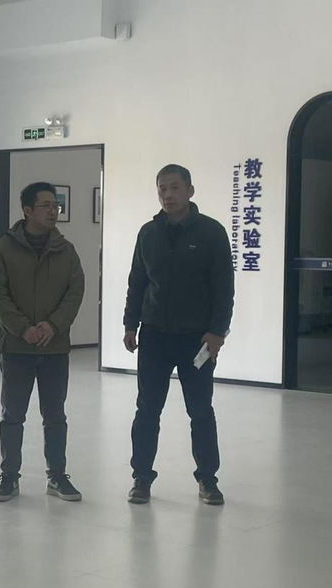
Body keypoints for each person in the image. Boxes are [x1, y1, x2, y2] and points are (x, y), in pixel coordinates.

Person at [123, 164, 234, 505]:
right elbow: (137, 281)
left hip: (196, 339)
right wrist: (130, 324)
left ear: (190, 191)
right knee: (147, 409)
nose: (168, 195)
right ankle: (141, 478)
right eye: (162, 189)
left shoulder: (211, 232)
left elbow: (224, 288)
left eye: (174, 187)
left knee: (200, 410)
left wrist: (217, 332)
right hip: (155, 336)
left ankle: (208, 480)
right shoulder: (148, 233)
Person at [0, 181, 85, 502]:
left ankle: (57, 476)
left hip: (54, 348)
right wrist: (22, 328)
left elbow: (75, 292)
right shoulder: (4, 248)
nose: (53, 211)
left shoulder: (66, 251)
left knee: (55, 416)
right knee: (12, 416)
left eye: (55, 205)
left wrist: (52, 325)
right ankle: (9, 477)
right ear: (27, 210)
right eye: (45, 206)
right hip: (17, 347)